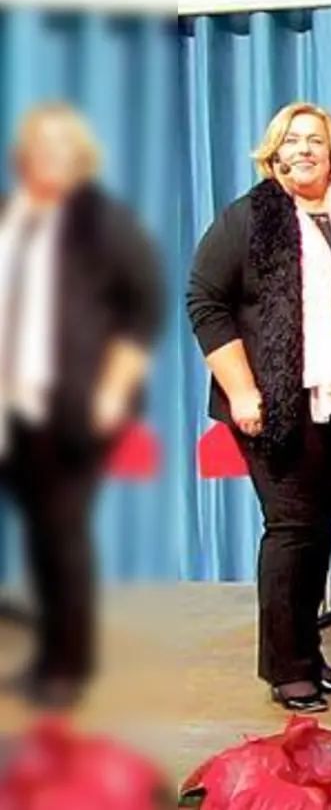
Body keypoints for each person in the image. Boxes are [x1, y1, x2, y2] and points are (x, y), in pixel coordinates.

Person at [187, 101, 331, 713]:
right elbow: (206, 302)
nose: (304, 149)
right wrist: (243, 390)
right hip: (276, 403)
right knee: (290, 529)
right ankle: (287, 669)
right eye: (292, 140)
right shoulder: (249, 218)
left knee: (315, 533)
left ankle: (303, 653)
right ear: (273, 153)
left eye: (316, 140)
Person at [0, 102, 164, 709]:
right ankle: (48, 651)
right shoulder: (8, 213)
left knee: (61, 533)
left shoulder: (104, 222)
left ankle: (66, 662)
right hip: (7, 403)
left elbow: (141, 310)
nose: (50, 156)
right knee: (37, 536)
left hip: (73, 403)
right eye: (40, 145)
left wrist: (114, 390)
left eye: (62, 146)